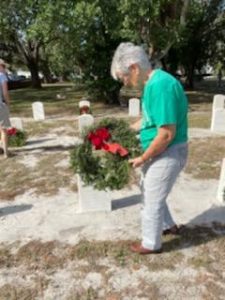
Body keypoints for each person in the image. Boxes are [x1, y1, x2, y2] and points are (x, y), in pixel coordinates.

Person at [111, 43, 188, 254]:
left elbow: (166, 134)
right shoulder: (152, 84)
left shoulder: (160, 86)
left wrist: (143, 158)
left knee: (151, 199)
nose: (125, 82)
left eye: (124, 77)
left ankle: (151, 244)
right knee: (152, 190)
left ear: (134, 68)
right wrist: (124, 132)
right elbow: (148, 120)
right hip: (162, 149)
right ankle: (168, 226)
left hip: (169, 151)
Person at [0, 58, 11, 158]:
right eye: (3, 66)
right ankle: (6, 152)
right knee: (3, 130)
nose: (4, 69)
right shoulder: (2, 76)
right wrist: (8, 103)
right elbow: (5, 93)